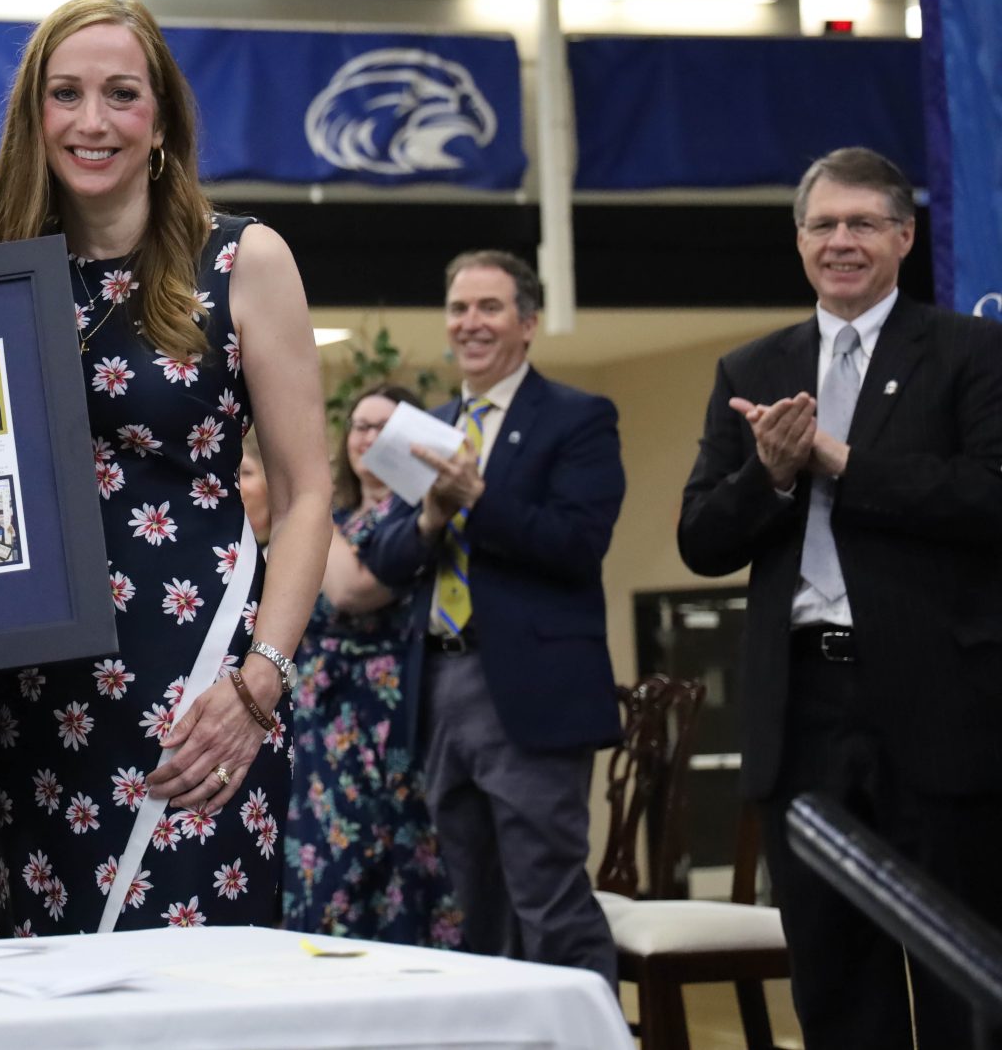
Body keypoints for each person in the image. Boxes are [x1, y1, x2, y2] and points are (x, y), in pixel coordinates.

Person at [0, 0, 330, 935]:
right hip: (39, 705)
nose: (91, 121)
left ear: (163, 120)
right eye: (66, 94)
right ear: (34, 118)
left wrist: (260, 683)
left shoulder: (243, 259)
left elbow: (305, 496)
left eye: (121, 95)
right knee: (53, 993)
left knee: (197, 1000)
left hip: (203, 684)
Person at [678, 147, 1002, 1050]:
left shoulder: (975, 352)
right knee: (833, 980)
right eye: (823, 224)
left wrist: (841, 462)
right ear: (799, 241)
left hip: (941, 711)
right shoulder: (751, 366)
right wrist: (772, 477)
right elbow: (701, 539)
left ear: (905, 236)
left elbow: (989, 496)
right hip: (805, 716)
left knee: (958, 976)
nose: (842, 240)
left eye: (863, 223)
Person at [362, 251, 622, 984]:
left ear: (529, 322)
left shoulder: (578, 417)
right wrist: (430, 519)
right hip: (441, 685)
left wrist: (477, 496)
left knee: (550, 900)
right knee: (473, 904)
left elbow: (578, 544)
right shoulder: (429, 428)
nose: (469, 323)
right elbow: (382, 558)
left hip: (530, 692)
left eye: (489, 307)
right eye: (458, 308)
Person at [281, 386, 462, 948]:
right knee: (319, 867)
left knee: (377, 865)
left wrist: (302, 512)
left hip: (381, 719)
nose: (368, 437)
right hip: (318, 718)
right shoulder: (335, 516)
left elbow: (350, 590)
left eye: (384, 426)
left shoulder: (413, 517)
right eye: (359, 425)